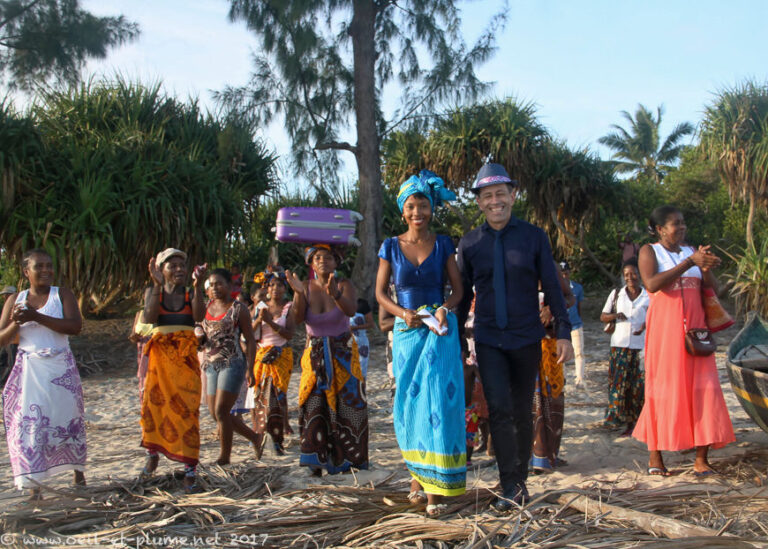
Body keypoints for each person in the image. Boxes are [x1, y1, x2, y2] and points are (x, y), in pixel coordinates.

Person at [456, 162, 573, 512]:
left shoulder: (534, 237)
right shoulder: (470, 243)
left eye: (501, 194)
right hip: (489, 338)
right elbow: (462, 297)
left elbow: (552, 287)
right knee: (501, 410)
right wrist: (458, 342)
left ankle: (518, 481)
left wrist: (564, 333)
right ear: (479, 202)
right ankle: (510, 485)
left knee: (522, 411)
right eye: (488, 196)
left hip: (526, 338)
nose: (495, 201)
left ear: (513, 195)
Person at [375, 170, 466, 517]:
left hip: (440, 330)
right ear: (403, 211)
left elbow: (458, 290)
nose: (418, 212)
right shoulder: (390, 246)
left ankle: (435, 492)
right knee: (410, 404)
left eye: (424, 206)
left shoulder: (444, 244)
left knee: (438, 404)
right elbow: (380, 294)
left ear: (431, 209)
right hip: (407, 332)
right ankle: (417, 475)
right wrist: (403, 313)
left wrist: (443, 309)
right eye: (411, 206)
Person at [633, 206, 735, 476]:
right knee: (663, 388)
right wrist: (690, 263)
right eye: (675, 223)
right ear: (660, 229)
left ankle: (701, 458)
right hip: (665, 332)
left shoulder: (692, 251)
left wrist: (707, 265)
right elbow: (652, 284)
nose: (682, 227)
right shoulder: (649, 251)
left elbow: (711, 288)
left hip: (697, 329)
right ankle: (656, 457)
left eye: (683, 222)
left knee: (705, 389)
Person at [0, 250, 86, 497]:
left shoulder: (62, 295)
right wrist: (17, 322)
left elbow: (75, 327)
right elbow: (2, 338)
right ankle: (34, 486)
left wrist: (36, 316)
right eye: (40, 266)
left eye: (49, 265)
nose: (47, 270)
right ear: (26, 272)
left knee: (68, 420)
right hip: (31, 371)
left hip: (61, 367)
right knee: (32, 426)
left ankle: (77, 474)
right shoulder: (15, 300)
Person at [285, 245, 368, 475]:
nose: (323, 261)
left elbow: (351, 311)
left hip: (343, 354)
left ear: (336, 262)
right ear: (311, 263)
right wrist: (298, 293)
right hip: (315, 356)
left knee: (348, 407)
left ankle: (348, 461)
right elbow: (298, 318)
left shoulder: (344, 285)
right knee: (313, 405)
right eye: (317, 258)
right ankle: (315, 463)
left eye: (328, 257)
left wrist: (336, 294)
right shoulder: (305, 287)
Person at [140, 248, 205, 493]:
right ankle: (152, 454)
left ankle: (190, 471)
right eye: (172, 266)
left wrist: (198, 287)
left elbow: (199, 317)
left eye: (182, 265)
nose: (179, 270)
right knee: (155, 407)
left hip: (185, 360)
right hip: (160, 362)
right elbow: (148, 317)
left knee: (188, 412)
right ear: (160, 269)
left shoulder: (191, 293)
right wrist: (156, 285)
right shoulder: (152, 292)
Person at [200, 268, 262, 464]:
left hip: (232, 362)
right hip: (210, 364)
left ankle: (224, 456)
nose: (215, 288)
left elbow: (250, 340)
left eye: (219, 283)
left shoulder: (238, 309)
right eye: (211, 284)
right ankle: (255, 437)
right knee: (215, 413)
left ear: (229, 285)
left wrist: (250, 368)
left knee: (221, 411)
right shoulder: (205, 308)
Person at [600, 258, 649, 436]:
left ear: (640, 274)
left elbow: (656, 317)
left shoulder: (648, 295)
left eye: (633, 273)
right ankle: (621, 421)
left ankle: (639, 423)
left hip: (641, 347)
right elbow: (603, 316)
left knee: (639, 387)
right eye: (626, 274)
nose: (630, 277)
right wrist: (615, 315)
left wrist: (645, 325)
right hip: (619, 346)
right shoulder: (616, 295)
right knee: (619, 384)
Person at [251, 270, 295, 456]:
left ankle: (277, 439)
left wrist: (271, 323)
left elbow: (290, 334)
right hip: (261, 355)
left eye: (280, 285)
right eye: (272, 285)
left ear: (285, 288)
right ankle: (260, 436)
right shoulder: (261, 306)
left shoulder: (289, 307)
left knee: (278, 398)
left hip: (281, 355)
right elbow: (250, 333)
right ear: (267, 288)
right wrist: (259, 320)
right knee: (260, 398)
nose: (275, 288)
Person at [560, 262, 586, 386]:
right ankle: (562, 377)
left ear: (569, 273)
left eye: (566, 273)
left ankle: (580, 378)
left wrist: (580, 320)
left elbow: (579, 306)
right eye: (562, 274)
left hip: (575, 323)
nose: (564, 276)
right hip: (562, 324)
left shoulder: (577, 288)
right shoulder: (555, 288)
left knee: (579, 351)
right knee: (561, 353)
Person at [129, 309, 154, 402]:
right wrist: (134, 337)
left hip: (156, 348)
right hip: (142, 351)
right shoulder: (139, 313)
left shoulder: (160, 311)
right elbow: (133, 334)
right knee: (144, 377)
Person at [350, 298, 374, 378]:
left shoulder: (362, 304)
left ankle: (361, 389)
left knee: (361, 370)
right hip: (345, 344)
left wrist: (355, 327)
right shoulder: (339, 304)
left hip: (361, 344)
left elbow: (371, 324)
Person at [0, 285, 19, 384]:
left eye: (6, 295)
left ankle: (10, 383)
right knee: (3, 360)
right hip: (7, 340)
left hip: (14, 340)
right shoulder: (7, 305)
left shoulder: (16, 305)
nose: (4, 297)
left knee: (12, 363)